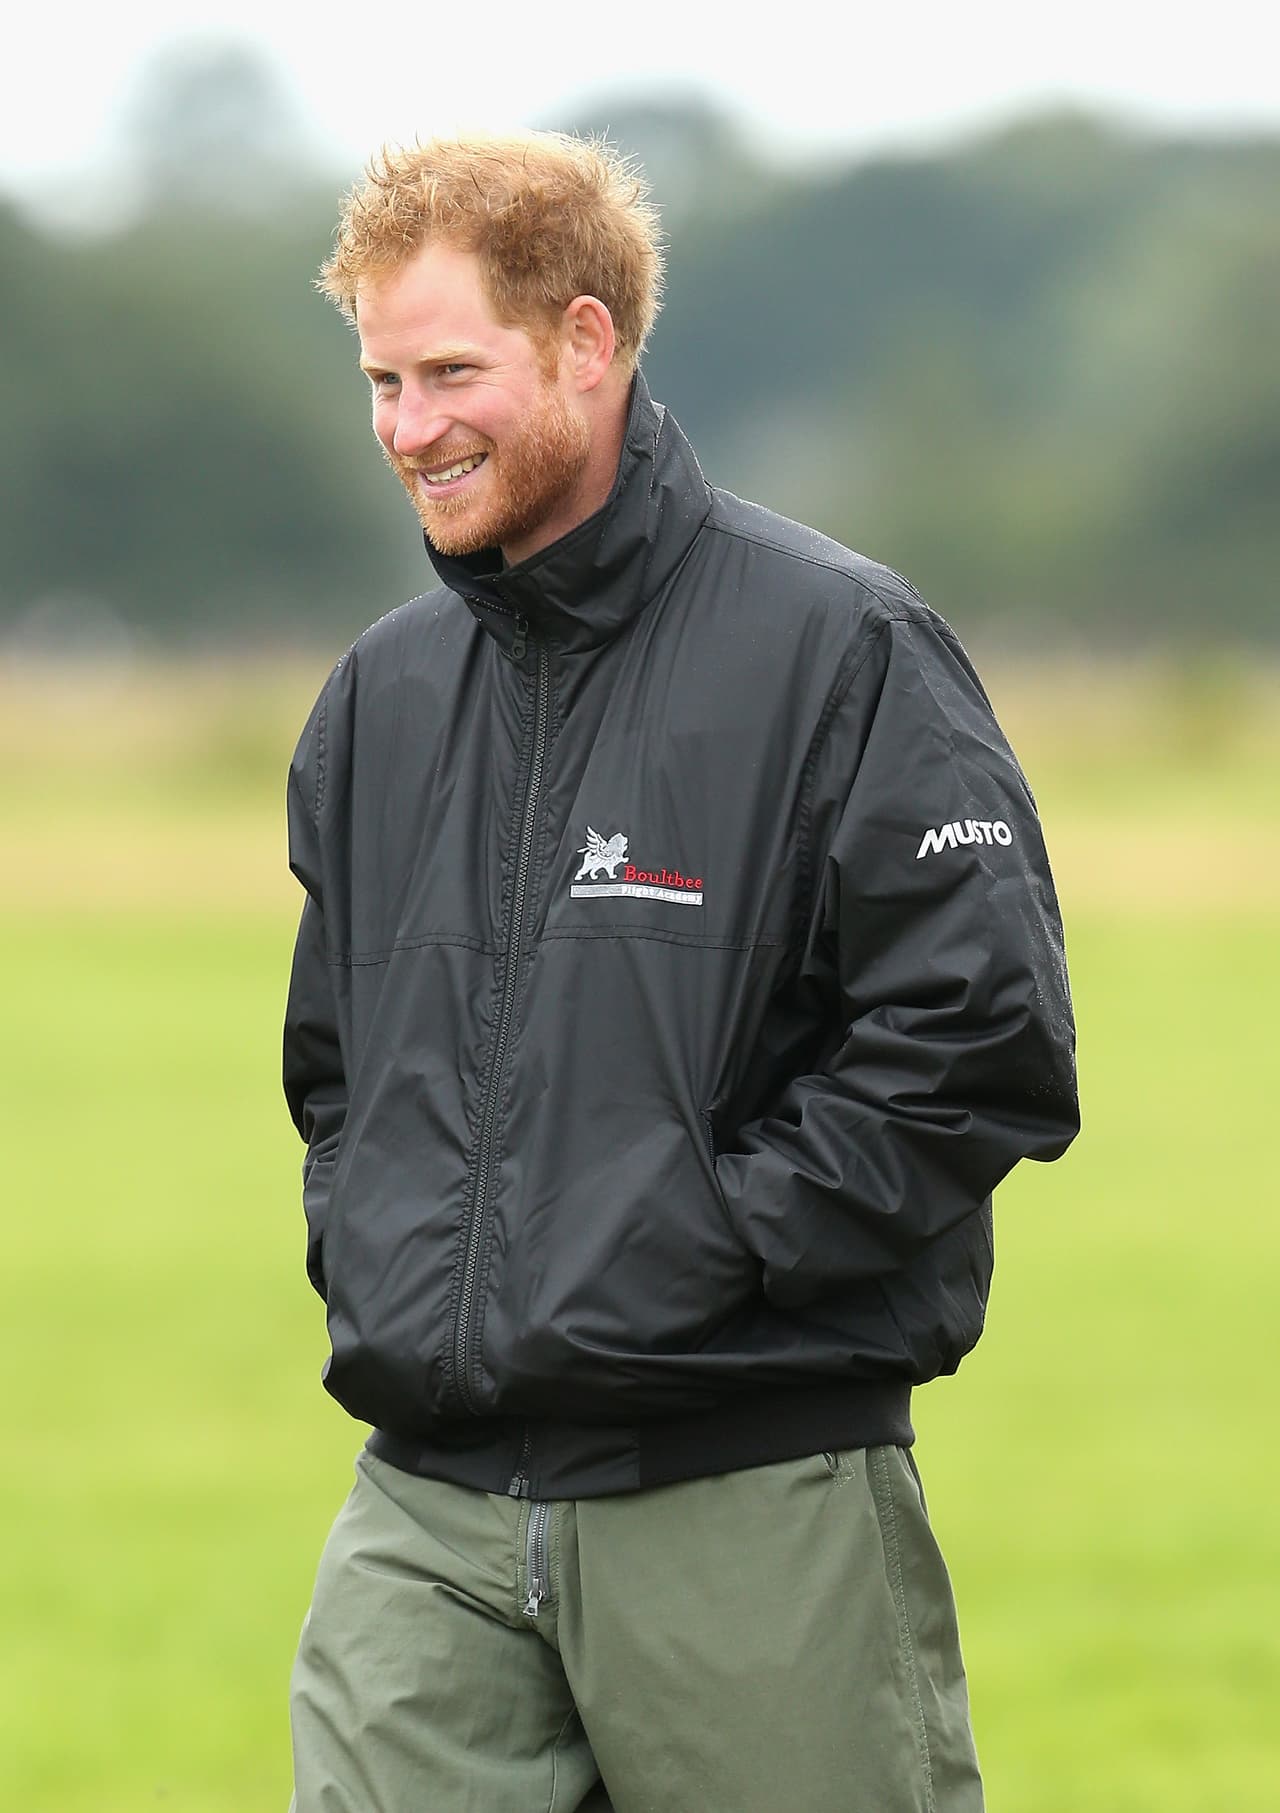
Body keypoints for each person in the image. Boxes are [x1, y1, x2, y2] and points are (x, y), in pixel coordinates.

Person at [282, 130, 1078, 1813]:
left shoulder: (842, 647)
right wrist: (372, 1233)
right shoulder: (379, 695)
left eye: (446, 372)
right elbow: (335, 1064)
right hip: (424, 1514)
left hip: (746, 1488)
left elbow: (979, 1041)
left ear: (587, 340)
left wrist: (701, 1246)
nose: (406, 427)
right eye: (379, 378)